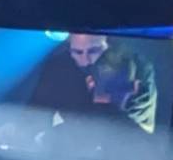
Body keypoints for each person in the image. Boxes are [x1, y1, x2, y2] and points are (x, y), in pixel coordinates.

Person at [20, 32, 159, 132]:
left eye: (94, 51)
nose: (85, 61)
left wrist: (109, 103)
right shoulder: (58, 66)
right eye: (77, 52)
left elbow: (142, 133)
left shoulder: (138, 67)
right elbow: (34, 114)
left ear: (108, 43)